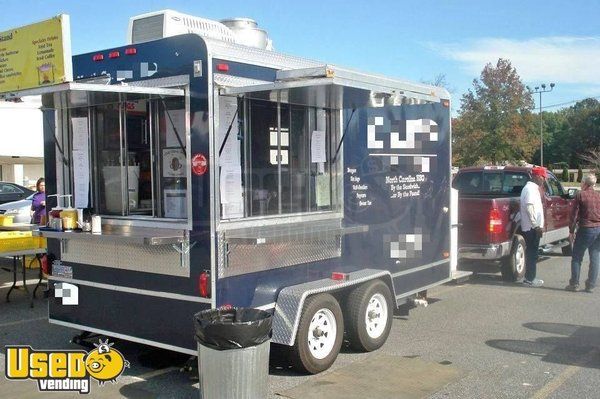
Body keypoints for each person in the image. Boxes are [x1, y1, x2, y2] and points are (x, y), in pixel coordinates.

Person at [565, 173, 600, 293]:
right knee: (595, 257)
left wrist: (571, 230)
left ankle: (574, 283)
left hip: (585, 228)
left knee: (577, 257)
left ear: (584, 183)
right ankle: (591, 284)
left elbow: (574, 215)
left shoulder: (580, 195)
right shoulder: (598, 196)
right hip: (598, 228)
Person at [520, 166, 547, 287]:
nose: (544, 180)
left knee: (533, 253)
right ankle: (529, 279)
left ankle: (530, 278)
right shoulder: (530, 189)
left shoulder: (533, 188)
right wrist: (536, 225)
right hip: (531, 228)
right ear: (536, 176)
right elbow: (529, 207)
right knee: (532, 253)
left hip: (533, 227)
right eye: (542, 177)